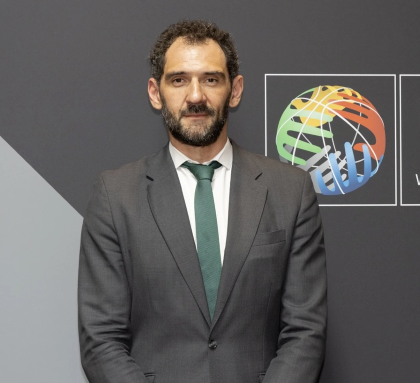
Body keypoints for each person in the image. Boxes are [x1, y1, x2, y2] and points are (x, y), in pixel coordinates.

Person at [78, 20, 327, 383]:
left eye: (211, 79)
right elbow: (101, 339)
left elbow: (305, 332)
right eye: (179, 80)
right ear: (155, 93)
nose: (195, 96)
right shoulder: (115, 196)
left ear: (235, 90)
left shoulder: (290, 191)